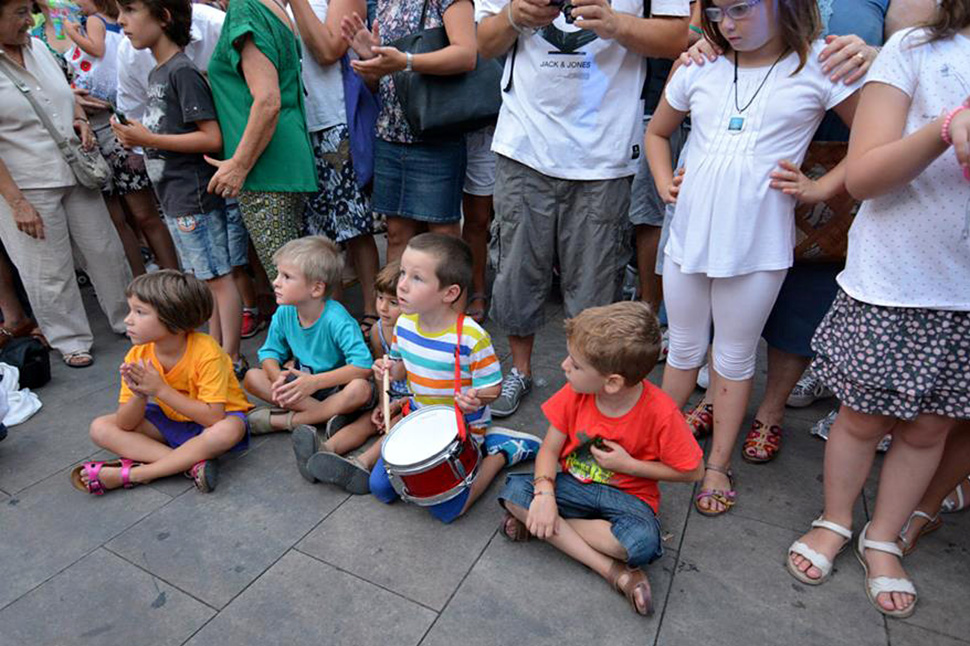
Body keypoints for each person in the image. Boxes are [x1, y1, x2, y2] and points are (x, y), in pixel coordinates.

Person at [786, 4, 970, 618]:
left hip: (964, 296)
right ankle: (837, 519)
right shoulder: (918, 47)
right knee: (862, 418)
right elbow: (862, 176)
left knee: (931, 428)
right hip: (897, 278)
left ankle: (884, 536)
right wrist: (945, 129)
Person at [645, 0, 860, 516]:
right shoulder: (702, 63)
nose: (727, 23)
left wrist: (820, 187)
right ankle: (654, 438)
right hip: (691, 236)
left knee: (736, 357)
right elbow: (657, 130)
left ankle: (716, 464)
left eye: (741, 9)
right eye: (718, 11)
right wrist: (662, 182)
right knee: (683, 349)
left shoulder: (817, 66)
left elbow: (873, 139)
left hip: (758, 242)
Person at [476, 0, 690, 418]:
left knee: (595, 284)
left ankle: (587, 386)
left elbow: (677, 37)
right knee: (517, 270)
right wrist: (515, 16)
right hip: (524, 144)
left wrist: (616, 24)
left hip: (605, 151)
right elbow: (484, 42)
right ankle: (519, 370)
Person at [498, 301, 704, 617]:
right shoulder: (574, 393)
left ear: (612, 382)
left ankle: (545, 529)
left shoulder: (661, 412)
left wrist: (630, 466)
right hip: (573, 487)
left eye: (576, 365)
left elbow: (693, 471)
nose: (564, 365)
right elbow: (549, 450)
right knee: (515, 493)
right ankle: (613, 572)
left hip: (630, 498)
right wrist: (544, 493)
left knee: (641, 544)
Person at [111, 0, 245, 373]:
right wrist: (137, 137)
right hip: (175, 197)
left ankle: (229, 359)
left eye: (131, 10)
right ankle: (216, 354)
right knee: (207, 280)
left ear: (164, 17)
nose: (122, 21)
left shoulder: (182, 72)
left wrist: (150, 139)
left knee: (219, 278)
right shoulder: (156, 72)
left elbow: (211, 137)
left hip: (195, 194)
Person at [370, 233, 541, 523]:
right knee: (380, 489)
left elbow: (494, 388)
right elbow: (402, 369)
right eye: (403, 273)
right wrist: (388, 369)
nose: (401, 284)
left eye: (417, 278)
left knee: (447, 511)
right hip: (420, 417)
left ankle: (500, 452)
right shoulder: (405, 324)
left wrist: (478, 399)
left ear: (449, 293)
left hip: (462, 427)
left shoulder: (471, 337)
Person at [0, 0, 130, 368]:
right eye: (20, 13)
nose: (30, 20)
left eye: (29, 11)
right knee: (47, 267)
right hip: (25, 185)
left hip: (74, 169)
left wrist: (80, 120)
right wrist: (16, 203)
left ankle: (128, 319)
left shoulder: (37, 47)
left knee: (105, 250)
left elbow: (62, 93)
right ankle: (70, 339)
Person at [73, 270, 252, 494]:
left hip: (213, 423)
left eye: (139, 312)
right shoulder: (137, 355)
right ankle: (190, 464)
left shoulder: (207, 351)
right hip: (172, 422)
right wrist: (139, 394)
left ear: (173, 319)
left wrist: (160, 390)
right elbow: (126, 424)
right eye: (131, 310)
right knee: (100, 428)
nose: (128, 319)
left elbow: (213, 417)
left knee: (228, 429)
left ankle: (138, 474)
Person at [339, 0, 478, 263]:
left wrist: (405, 61)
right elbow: (379, 83)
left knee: (442, 237)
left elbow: (466, 55)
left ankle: (447, 304)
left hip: (436, 131)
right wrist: (372, 60)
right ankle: (400, 305)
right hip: (390, 132)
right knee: (396, 235)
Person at [206, 0, 318, 280]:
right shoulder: (268, 5)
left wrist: (239, 165)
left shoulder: (245, 8)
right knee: (297, 279)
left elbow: (268, 100)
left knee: (289, 283)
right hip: (281, 157)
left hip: (265, 164)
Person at [289, 0, 381, 331]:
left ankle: (373, 310)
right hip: (300, 126)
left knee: (354, 225)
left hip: (336, 120)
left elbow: (329, 50)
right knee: (319, 232)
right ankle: (335, 317)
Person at [243, 236, 375, 437]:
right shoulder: (284, 312)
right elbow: (269, 352)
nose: (275, 282)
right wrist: (276, 376)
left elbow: (363, 367)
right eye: (278, 274)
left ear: (316, 288)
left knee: (361, 389)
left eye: (286, 277)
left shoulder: (337, 319)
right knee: (252, 377)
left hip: (333, 387)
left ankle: (285, 421)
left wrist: (315, 382)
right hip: (301, 385)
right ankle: (328, 415)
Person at [295, 260, 403, 493]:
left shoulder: (417, 335)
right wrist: (383, 404)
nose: (383, 308)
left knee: (396, 425)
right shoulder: (377, 331)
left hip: (412, 401)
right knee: (365, 423)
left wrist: (396, 406)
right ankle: (322, 452)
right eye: (380, 298)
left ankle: (361, 465)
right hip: (391, 395)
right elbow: (379, 371)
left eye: (393, 302)